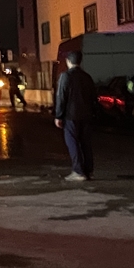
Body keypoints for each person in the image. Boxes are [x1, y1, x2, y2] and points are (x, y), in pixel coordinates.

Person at [54, 50, 98, 182]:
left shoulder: (65, 76)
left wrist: (58, 115)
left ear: (68, 61)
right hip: (87, 115)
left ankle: (78, 171)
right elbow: (93, 97)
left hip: (71, 115)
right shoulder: (87, 77)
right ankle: (88, 171)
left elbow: (61, 97)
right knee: (86, 143)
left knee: (72, 142)